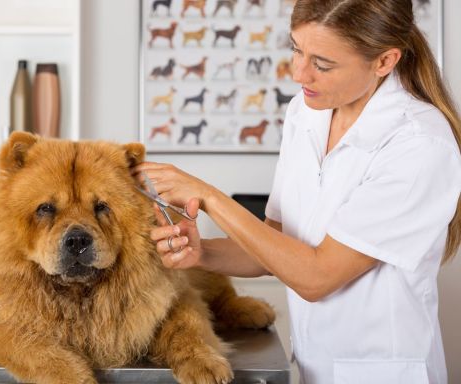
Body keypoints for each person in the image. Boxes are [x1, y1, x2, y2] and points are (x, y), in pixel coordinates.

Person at [133, 1, 461, 383]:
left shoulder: (418, 144)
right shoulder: (305, 114)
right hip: (314, 367)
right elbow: (272, 246)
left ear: (384, 61)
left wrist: (209, 197)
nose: (299, 73)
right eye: (296, 49)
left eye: (322, 64)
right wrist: (201, 252)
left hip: (382, 372)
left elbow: (315, 277)